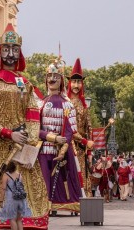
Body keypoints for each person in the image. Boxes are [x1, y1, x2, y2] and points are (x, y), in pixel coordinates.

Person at [0, 23, 49, 230]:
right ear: (0, 52)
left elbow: (33, 114)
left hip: (20, 145)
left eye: (15, 50)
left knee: (25, 184)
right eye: (6, 49)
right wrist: (7, 133)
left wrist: (29, 139)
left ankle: (23, 224)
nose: (10, 54)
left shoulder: (25, 84)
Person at [38, 58, 89, 215]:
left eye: (56, 77)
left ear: (61, 81)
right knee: (44, 180)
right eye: (49, 76)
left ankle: (64, 204)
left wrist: (63, 145)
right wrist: (50, 137)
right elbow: (35, 129)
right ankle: (44, 206)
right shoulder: (40, 103)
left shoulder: (68, 104)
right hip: (43, 148)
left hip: (63, 150)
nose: (52, 79)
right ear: (45, 79)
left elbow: (70, 131)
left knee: (65, 179)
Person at [67, 58, 95, 197]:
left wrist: (89, 152)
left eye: (79, 82)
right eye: (74, 81)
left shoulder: (85, 106)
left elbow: (89, 130)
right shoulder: (66, 103)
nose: (76, 85)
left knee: (83, 174)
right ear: (69, 83)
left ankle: (83, 200)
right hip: (69, 145)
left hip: (82, 148)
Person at [0, 161, 32, 230]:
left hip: (11, 199)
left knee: (12, 219)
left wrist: (1, 200)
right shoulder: (19, 175)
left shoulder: (6, 175)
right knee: (19, 219)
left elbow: (3, 189)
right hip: (20, 199)